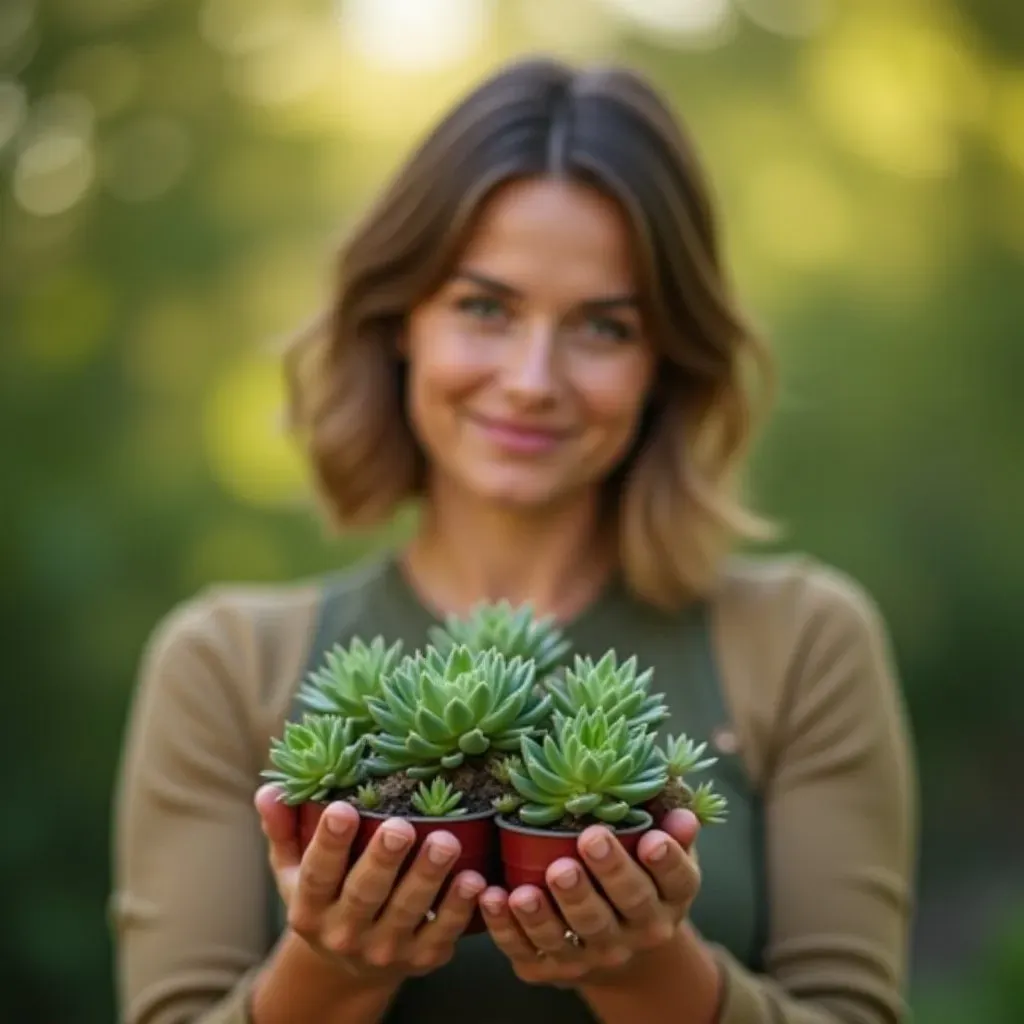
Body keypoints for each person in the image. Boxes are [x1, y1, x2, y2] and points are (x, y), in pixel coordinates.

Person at [109, 56, 917, 1024]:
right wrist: (336, 968)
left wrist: (647, 971)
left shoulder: (800, 641)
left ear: (665, 359)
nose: (533, 379)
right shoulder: (225, 663)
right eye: (483, 306)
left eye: (602, 327)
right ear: (399, 317)